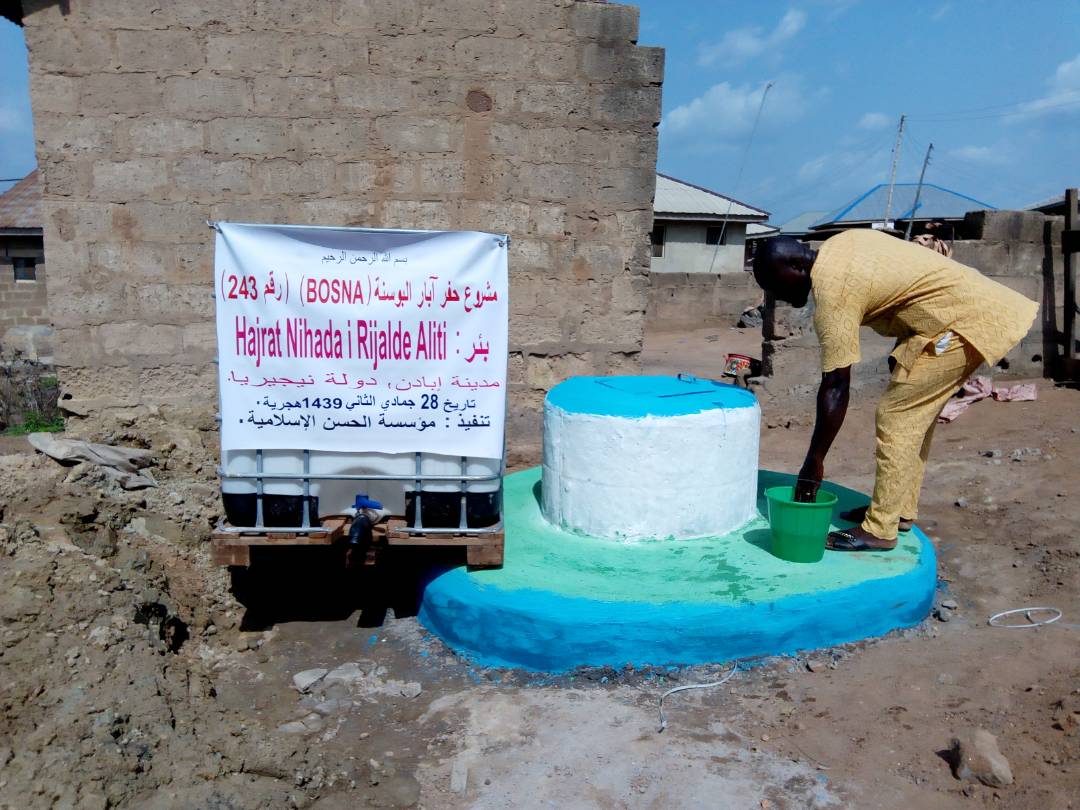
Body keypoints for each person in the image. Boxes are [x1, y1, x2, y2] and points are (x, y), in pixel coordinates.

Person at [751, 230, 1038, 551]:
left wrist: (813, 463)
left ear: (797, 267)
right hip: (959, 316)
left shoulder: (833, 289)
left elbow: (835, 386)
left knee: (896, 416)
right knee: (914, 418)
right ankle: (896, 511)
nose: (779, 297)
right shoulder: (840, 244)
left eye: (776, 285)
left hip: (962, 322)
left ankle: (880, 529)